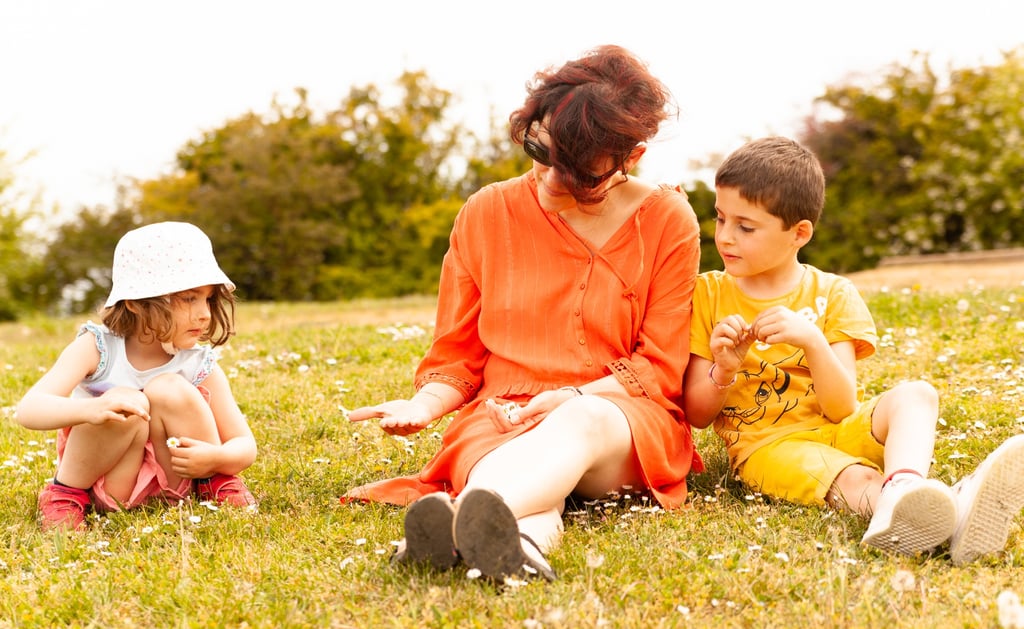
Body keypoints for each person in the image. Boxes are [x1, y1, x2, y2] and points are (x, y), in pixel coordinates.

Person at [343, 45, 703, 582]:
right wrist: (424, 405)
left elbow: (660, 369)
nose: (551, 182)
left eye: (580, 175)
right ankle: (522, 548)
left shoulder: (669, 221)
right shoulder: (486, 213)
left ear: (633, 156)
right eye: (543, 154)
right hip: (504, 418)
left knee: (578, 420)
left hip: (616, 421)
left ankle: (452, 527)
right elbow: (458, 356)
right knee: (532, 491)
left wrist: (574, 395)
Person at [682, 136, 1024, 564]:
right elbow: (696, 415)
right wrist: (724, 368)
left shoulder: (834, 292)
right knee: (853, 477)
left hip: (837, 427)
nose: (725, 237)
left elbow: (841, 406)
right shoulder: (708, 294)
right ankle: (946, 510)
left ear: (799, 233)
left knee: (917, 394)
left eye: (745, 227)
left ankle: (904, 485)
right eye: (720, 218)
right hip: (768, 447)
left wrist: (811, 339)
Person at [16, 221, 258, 531]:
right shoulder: (97, 347)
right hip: (113, 484)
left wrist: (216, 459)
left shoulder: (197, 362)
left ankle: (217, 483)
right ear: (136, 302)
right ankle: (65, 494)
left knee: (170, 388)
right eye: (189, 299)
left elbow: (244, 445)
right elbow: (29, 409)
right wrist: (92, 409)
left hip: (178, 483)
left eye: (208, 299)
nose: (205, 314)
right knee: (123, 402)